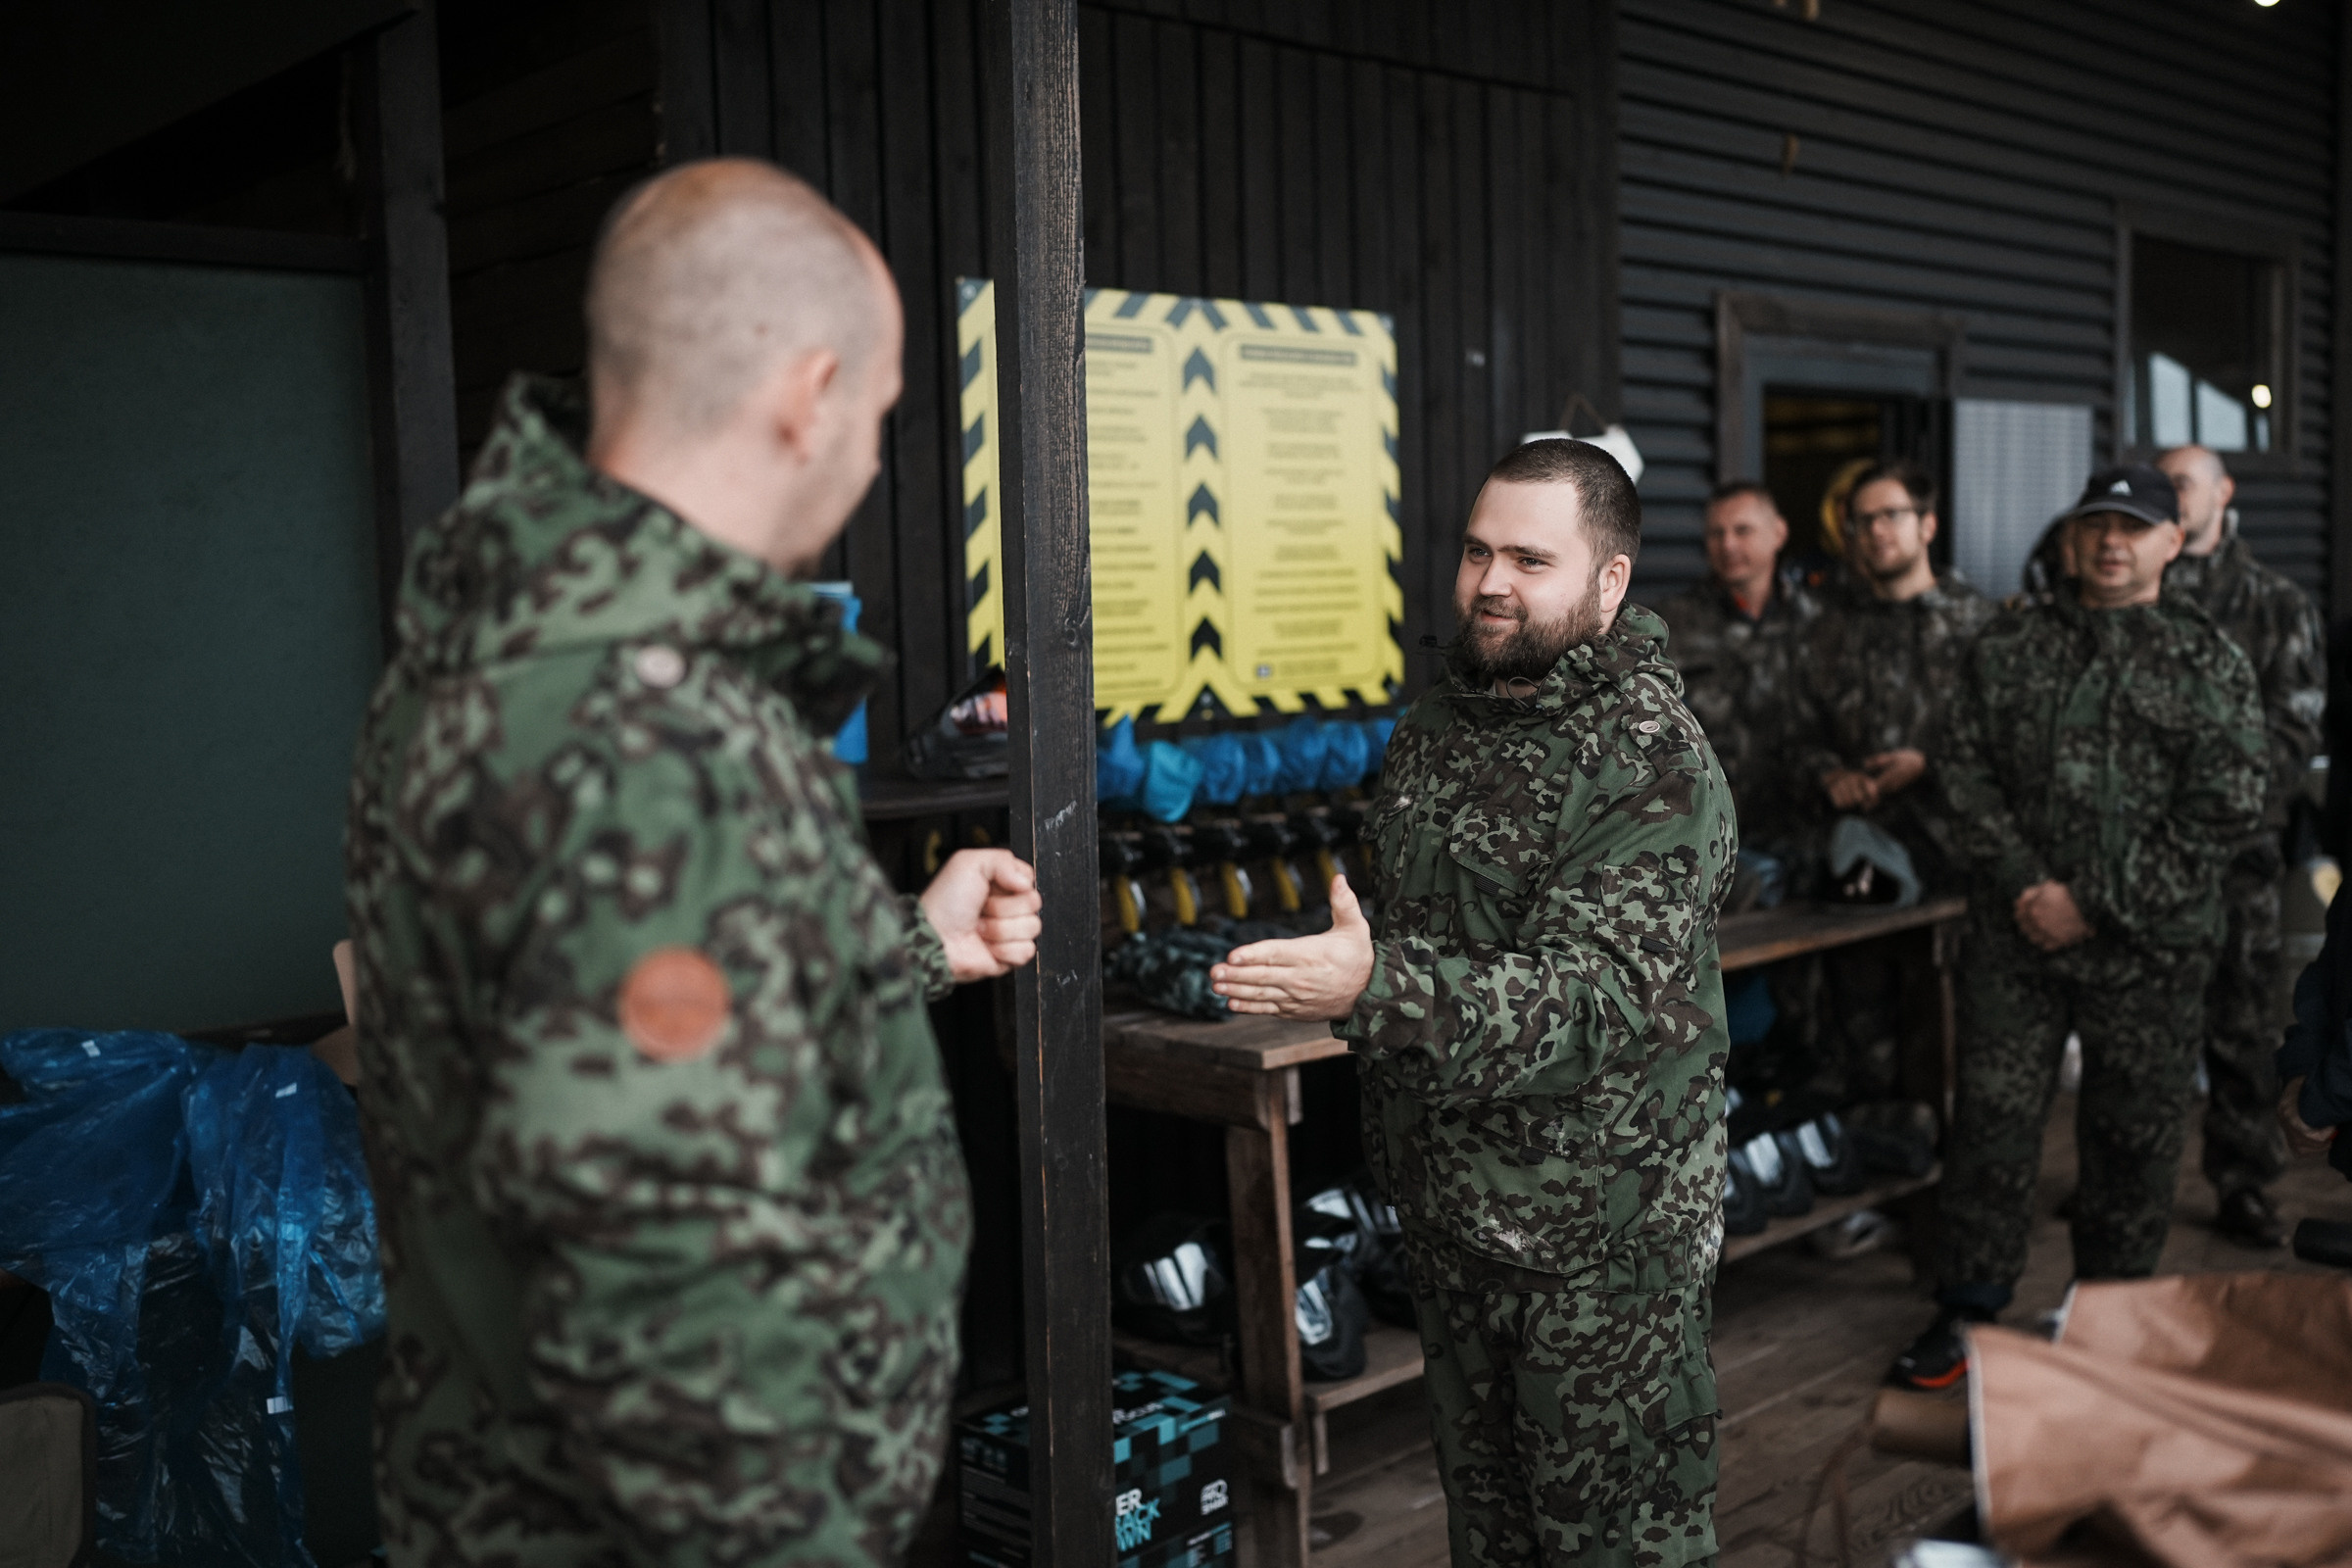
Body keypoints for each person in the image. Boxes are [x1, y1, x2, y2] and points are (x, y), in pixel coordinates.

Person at [343, 161, 1045, 1565]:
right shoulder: (650, 735)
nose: (867, 455)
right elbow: (666, 1306)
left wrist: (906, 944)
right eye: (884, 412)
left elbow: (601, 1041)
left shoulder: (501, 646)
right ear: (809, 389)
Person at [1208, 439, 1736, 1567]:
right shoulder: (1440, 726)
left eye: (1530, 558)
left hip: (1600, 1242)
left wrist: (1374, 986)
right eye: (1477, 549)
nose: (1491, 579)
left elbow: (1593, 997)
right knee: (1489, 1530)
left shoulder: (1651, 760)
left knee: (1616, 1543)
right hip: (1455, 1216)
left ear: (1610, 581)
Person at [1890, 465, 2265, 1391]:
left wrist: (2089, 901)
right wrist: (2030, 887)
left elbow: (2225, 808)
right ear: (2069, 540)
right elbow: (1964, 774)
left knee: (2134, 1134)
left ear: (2172, 543)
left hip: (2151, 947)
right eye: (2096, 524)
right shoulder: (2009, 647)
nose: (2111, 542)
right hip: (2016, 941)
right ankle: (1968, 1305)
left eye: (2134, 528)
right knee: (1993, 1122)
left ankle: (2111, 1314)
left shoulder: (2207, 659)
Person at [2153, 444, 2326, 1248]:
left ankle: (2245, 1181)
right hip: (2139, 856)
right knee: (2145, 1026)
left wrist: (2215, 809)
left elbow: (2292, 729)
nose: (2172, 496)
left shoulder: (2273, 600)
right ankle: (2126, 1183)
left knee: (2241, 1024)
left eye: (2183, 481)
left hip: (2237, 852)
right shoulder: (2134, 590)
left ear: (2222, 492)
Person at [1787, 461, 1994, 1103]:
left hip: (1961, 870)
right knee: (1861, 1043)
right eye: (1862, 521)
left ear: (1927, 523)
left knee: (1960, 1056)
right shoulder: (1829, 630)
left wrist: (1929, 764)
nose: (1875, 531)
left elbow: (2016, 746)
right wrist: (1832, 775)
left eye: (1890, 516)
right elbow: (1795, 738)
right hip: (1862, 869)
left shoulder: (1983, 627)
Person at [1658, 480, 1822, 863]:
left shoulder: (1820, 620)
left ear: (1778, 532)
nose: (1728, 545)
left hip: (1808, 839)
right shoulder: (1672, 623)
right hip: (1706, 841)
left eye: (1742, 530)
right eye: (1717, 533)